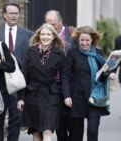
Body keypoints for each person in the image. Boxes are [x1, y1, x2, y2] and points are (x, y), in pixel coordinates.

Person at [17, 23, 65, 141]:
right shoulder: (30, 52)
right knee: (36, 132)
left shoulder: (59, 54)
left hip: (51, 96)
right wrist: (21, 98)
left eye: (48, 34)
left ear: (53, 36)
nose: (45, 37)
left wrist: (65, 96)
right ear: (39, 36)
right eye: (43, 34)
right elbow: (24, 75)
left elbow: (64, 77)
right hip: (33, 95)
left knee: (47, 130)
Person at [62, 26, 110, 141]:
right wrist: (67, 95)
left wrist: (105, 73)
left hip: (94, 97)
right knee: (76, 133)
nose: (84, 43)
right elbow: (66, 76)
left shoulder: (98, 52)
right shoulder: (72, 53)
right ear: (78, 40)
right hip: (77, 97)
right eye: (81, 40)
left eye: (87, 40)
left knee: (93, 130)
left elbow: (102, 79)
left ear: (92, 40)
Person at [0, 2, 33, 141]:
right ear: (4, 15)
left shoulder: (28, 34)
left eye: (16, 13)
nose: (14, 16)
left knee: (16, 118)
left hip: (18, 81)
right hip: (0, 80)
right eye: (11, 13)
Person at [45, 9, 73, 141]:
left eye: (53, 24)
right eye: (48, 24)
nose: (50, 28)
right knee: (58, 121)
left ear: (61, 22)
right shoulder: (43, 36)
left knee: (72, 122)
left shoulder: (73, 35)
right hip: (52, 85)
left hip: (70, 84)